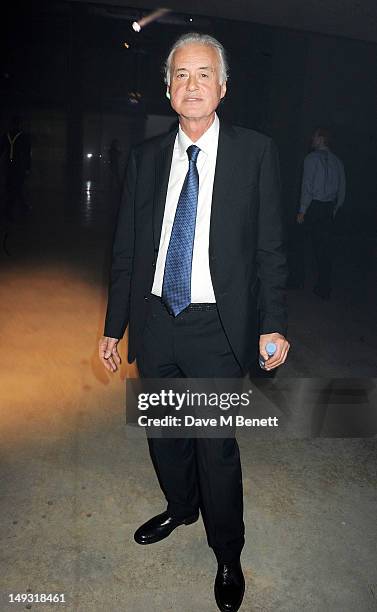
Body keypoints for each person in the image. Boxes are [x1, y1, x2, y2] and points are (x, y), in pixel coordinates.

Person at [99, 33, 290, 612]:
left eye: (204, 74)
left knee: (215, 444)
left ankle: (226, 551)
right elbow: (127, 248)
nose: (192, 84)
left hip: (217, 327)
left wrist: (273, 323)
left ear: (223, 87)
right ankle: (181, 508)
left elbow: (271, 250)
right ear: (167, 89)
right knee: (163, 433)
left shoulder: (255, 153)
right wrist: (115, 325)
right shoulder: (146, 157)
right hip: (156, 321)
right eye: (181, 75)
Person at [296, 127, 346, 299]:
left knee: (301, 243)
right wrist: (335, 208)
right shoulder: (337, 161)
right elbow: (342, 189)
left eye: (315, 137)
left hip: (314, 207)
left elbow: (307, 186)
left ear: (322, 138)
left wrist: (302, 210)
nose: (312, 139)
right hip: (327, 208)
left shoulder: (311, 159)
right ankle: (324, 286)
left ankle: (299, 280)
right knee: (325, 248)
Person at [0, 116, 31, 221]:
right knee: (15, 187)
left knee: (13, 187)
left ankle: (18, 207)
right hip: (18, 165)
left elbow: (1, 150)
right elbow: (27, 154)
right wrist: (27, 168)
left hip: (11, 165)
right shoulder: (23, 137)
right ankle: (20, 207)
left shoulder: (7, 135)